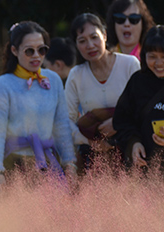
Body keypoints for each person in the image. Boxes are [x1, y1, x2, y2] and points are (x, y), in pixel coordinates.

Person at [0, 21, 77, 187]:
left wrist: (69, 162)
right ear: (14, 50)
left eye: (42, 50)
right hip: (12, 164)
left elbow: (62, 125)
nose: (36, 55)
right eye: (29, 51)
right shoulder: (1, 85)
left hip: (47, 164)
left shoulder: (54, 80)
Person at [65, 13, 140, 171]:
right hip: (93, 155)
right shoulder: (76, 75)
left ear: (104, 35)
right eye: (82, 41)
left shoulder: (130, 65)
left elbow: (142, 107)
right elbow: (66, 121)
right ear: (76, 45)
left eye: (94, 37)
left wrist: (117, 122)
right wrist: (90, 143)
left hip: (132, 148)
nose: (90, 45)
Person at [113, 25, 164, 168]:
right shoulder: (137, 82)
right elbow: (122, 121)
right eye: (152, 56)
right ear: (144, 55)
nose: (159, 63)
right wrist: (133, 143)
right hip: (143, 169)